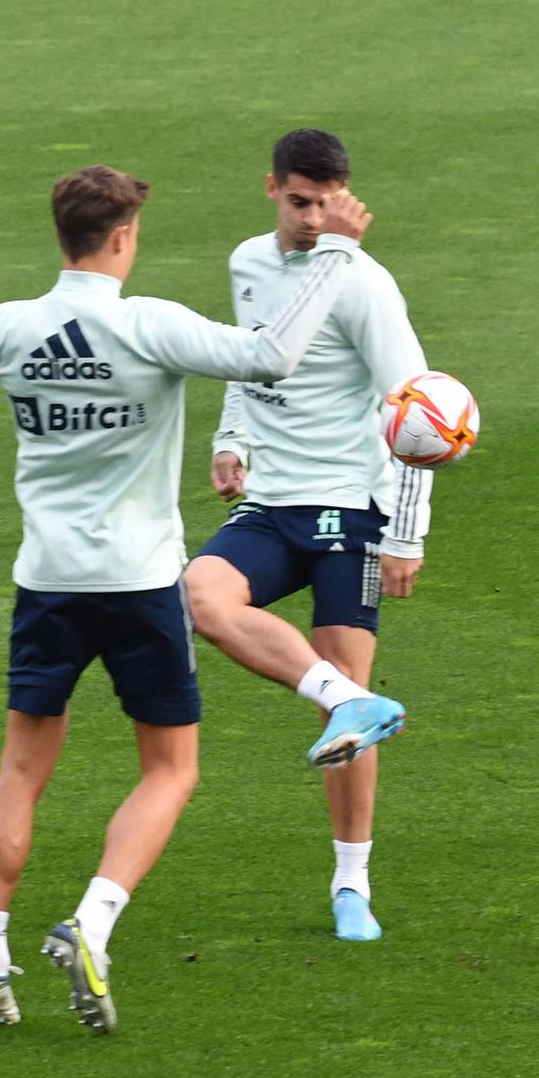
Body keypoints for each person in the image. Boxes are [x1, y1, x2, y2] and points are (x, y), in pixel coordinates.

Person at [0, 166, 405, 1034]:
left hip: (45, 583)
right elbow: (269, 356)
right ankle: (92, 920)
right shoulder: (150, 326)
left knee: (21, 771)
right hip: (139, 586)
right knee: (170, 769)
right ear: (125, 237)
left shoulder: (14, 327)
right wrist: (339, 254)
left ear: (60, 234)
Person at [185, 129, 432, 944]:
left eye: (327, 203)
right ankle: (342, 701)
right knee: (201, 594)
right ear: (271, 190)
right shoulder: (248, 261)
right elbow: (248, 358)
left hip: (349, 509)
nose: (314, 218)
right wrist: (234, 440)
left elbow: (418, 407)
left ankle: (352, 884)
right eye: (299, 203)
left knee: (352, 681)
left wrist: (406, 531)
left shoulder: (365, 283)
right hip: (272, 502)